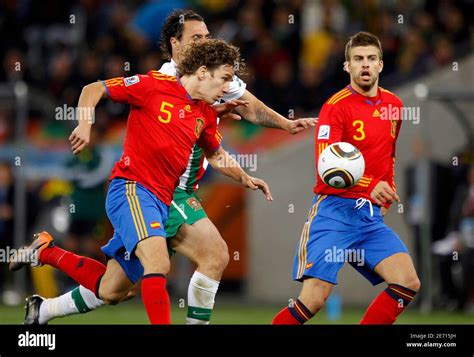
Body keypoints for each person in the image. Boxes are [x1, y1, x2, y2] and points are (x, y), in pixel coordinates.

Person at [24, 9, 316, 325]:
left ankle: (45, 274)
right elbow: (93, 89)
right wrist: (84, 124)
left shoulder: (206, 104)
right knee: (184, 259)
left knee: (113, 289)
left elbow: (223, 144)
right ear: (177, 45)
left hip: (167, 198)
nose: (205, 43)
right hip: (140, 188)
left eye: (207, 37)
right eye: (197, 38)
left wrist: (255, 161)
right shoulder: (156, 83)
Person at [272, 31, 421, 325]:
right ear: (347, 66)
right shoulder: (335, 107)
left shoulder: (394, 106)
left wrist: (387, 186)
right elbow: (326, 167)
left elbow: (388, 154)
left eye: (371, 59)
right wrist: (370, 185)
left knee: (407, 282)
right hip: (334, 213)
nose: (365, 65)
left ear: (380, 64)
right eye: (358, 59)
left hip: (369, 218)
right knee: (314, 299)